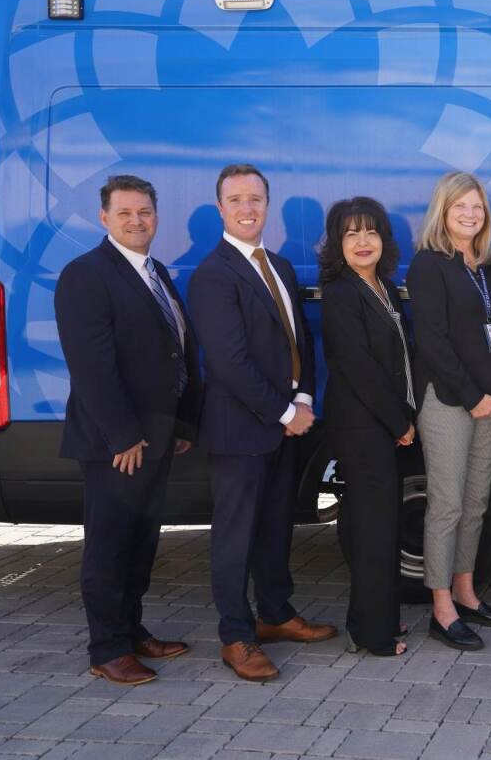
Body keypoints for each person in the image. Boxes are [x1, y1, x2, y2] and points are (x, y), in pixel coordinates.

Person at [188, 164, 336, 682]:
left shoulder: (279, 266)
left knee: (275, 528)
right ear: (221, 208)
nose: (247, 208)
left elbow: (300, 345)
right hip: (241, 430)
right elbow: (229, 362)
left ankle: (275, 615)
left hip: (284, 424)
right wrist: (283, 411)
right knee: (236, 536)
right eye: (236, 200)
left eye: (256, 199)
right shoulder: (213, 274)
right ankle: (236, 636)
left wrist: (304, 397)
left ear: (266, 205)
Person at [55, 175, 202, 685]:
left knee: (142, 543)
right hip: (117, 443)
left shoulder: (155, 271)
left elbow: (175, 352)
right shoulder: (86, 275)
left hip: (158, 436)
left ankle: (134, 631)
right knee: (110, 545)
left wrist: (181, 423)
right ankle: (107, 649)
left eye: (144, 212)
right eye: (125, 213)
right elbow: (91, 365)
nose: (137, 221)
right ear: (104, 218)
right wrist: (122, 435)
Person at [407, 173, 491, 652]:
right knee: (447, 506)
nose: (471, 215)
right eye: (460, 208)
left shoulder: (488, 265)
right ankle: (442, 607)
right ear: (442, 212)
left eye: (477, 207)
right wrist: (472, 395)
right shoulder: (429, 265)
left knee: (477, 504)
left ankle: (467, 592)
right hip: (451, 401)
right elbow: (432, 343)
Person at [319, 197, 415, 658]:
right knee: (374, 530)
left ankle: (374, 616)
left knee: (377, 526)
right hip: (363, 428)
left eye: (371, 232)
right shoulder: (340, 292)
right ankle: (372, 634)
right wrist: (399, 422)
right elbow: (358, 367)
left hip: (382, 426)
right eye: (351, 233)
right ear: (338, 243)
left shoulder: (385, 287)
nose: (362, 242)